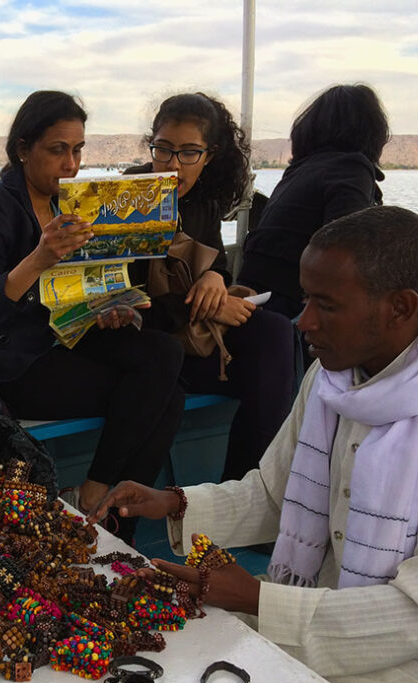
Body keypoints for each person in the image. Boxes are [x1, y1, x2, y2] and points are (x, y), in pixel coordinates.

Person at [93, 206, 418, 683]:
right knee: (178, 666)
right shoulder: (332, 377)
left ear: (401, 306)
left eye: (325, 305)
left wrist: (256, 599)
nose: (303, 322)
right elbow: (274, 494)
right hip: (329, 616)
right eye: (305, 300)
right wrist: (174, 504)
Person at [0, 90, 185, 543]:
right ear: (23, 150)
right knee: (167, 396)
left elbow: (76, 289)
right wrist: (39, 258)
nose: (71, 164)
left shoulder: (73, 204)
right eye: (57, 150)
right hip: (9, 359)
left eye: (78, 149)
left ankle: (97, 503)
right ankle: (106, 517)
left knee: (164, 352)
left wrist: (107, 306)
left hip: (63, 337)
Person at [125, 92, 295, 480]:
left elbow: (215, 261)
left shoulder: (202, 201)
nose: (172, 165)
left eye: (189, 153)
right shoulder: (132, 198)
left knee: (275, 334)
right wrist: (209, 307)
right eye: (163, 150)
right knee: (263, 373)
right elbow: (125, 298)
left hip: (190, 338)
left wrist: (217, 278)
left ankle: (246, 488)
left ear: (210, 155)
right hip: (148, 344)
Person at [238, 83, 390, 320]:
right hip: (291, 306)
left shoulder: (298, 171)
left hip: (254, 298)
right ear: (372, 133)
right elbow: (347, 248)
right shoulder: (352, 168)